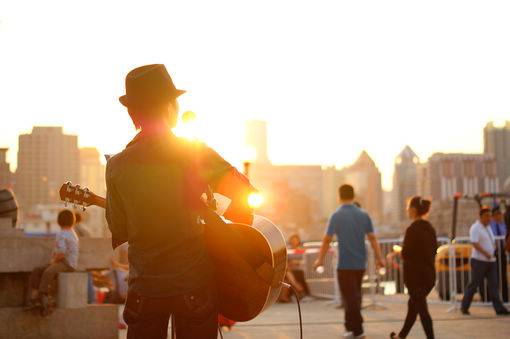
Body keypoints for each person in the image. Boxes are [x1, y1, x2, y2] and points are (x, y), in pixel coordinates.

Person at [106, 64, 255, 339]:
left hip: (144, 289)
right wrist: (231, 233)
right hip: (193, 283)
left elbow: (120, 228)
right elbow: (244, 191)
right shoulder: (193, 152)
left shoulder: (116, 165)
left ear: (132, 111)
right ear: (169, 107)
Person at [314, 184, 385, 338]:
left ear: (339, 197)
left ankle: (358, 330)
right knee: (355, 295)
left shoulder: (336, 215)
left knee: (350, 297)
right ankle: (350, 329)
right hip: (360, 263)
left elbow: (327, 239)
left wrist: (319, 260)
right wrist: (380, 258)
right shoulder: (363, 214)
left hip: (344, 264)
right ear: (354, 196)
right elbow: (372, 238)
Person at [390, 197, 437, 339]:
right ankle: (401, 336)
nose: (407, 210)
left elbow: (406, 254)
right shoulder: (430, 228)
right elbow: (433, 250)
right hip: (429, 277)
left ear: (414, 210)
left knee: (422, 311)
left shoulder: (412, 229)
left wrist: (398, 250)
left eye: (408, 207)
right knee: (414, 307)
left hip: (415, 279)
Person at [26, 209, 79, 315]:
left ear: (59, 221)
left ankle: (42, 297)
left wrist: (52, 262)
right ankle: (35, 297)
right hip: (66, 262)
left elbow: (61, 253)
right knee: (38, 270)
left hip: (66, 263)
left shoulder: (63, 233)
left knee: (47, 272)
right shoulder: (72, 233)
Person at [461, 207, 509, 316]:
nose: (489, 219)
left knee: (494, 285)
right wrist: (485, 253)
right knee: (474, 284)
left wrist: (493, 247)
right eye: (487, 216)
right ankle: (464, 306)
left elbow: (490, 240)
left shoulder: (488, 228)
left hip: (491, 261)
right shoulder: (475, 228)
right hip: (479, 261)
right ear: (481, 216)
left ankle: (499, 309)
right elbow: (474, 243)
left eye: (489, 216)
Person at [490, 206, 508, 303]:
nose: (499, 217)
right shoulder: (490, 226)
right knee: (494, 277)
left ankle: (505, 298)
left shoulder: (503, 225)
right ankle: (494, 299)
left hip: (502, 253)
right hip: (493, 254)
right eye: (497, 215)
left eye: (499, 214)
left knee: (503, 276)